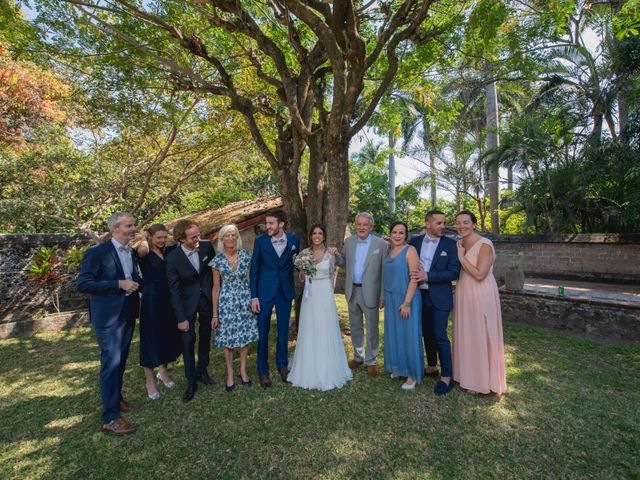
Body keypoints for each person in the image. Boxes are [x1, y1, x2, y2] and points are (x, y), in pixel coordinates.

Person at [77, 212, 140, 435]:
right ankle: (110, 417)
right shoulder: (97, 252)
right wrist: (118, 284)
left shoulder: (131, 252)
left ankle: (117, 399)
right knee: (111, 363)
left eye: (134, 225)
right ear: (114, 228)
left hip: (127, 313)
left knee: (121, 361)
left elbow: (134, 277)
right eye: (128, 226)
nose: (133, 229)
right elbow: (84, 284)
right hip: (108, 318)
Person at [288, 224, 352, 391]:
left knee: (325, 327)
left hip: (324, 293)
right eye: (314, 233)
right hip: (310, 294)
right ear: (311, 236)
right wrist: (303, 270)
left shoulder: (329, 254)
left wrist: (336, 252)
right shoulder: (304, 254)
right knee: (310, 328)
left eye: (320, 233)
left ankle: (328, 366)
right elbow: (302, 278)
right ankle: (308, 366)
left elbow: (338, 268)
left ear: (324, 236)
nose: (317, 236)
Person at [453, 210, 507, 394]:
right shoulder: (459, 243)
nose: (462, 226)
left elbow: (479, 274)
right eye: (458, 223)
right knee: (467, 332)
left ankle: (481, 381)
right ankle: (466, 376)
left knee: (481, 333)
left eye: (466, 222)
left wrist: (461, 257)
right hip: (463, 292)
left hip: (481, 293)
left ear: (474, 224)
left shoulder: (485, 245)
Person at [409, 210, 460, 396]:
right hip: (419, 296)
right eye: (438, 223)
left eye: (443, 223)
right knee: (427, 334)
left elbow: (454, 272)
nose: (443, 226)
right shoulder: (414, 242)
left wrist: (428, 276)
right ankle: (431, 367)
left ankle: (447, 376)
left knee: (440, 335)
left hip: (440, 296)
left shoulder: (450, 244)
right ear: (427, 224)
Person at [166, 220, 216, 402]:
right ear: (180, 239)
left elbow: (213, 273)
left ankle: (203, 371)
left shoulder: (206, 247)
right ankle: (191, 381)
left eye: (198, 235)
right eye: (193, 237)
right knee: (188, 341)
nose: (198, 239)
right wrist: (181, 318)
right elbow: (174, 290)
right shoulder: (172, 259)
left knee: (205, 337)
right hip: (186, 306)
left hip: (207, 301)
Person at [250, 209, 300, 388]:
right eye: (267, 223)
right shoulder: (260, 241)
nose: (268, 226)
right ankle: (263, 370)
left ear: (281, 224)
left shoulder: (294, 240)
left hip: (285, 292)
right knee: (263, 332)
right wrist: (254, 296)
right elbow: (254, 270)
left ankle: (282, 365)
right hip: (264, 292)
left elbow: (298, 264)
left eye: (271, 223)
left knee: (283, 330)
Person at [335, 212, 387, 378]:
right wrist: (335, 254)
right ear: (355, 225)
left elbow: (385, 271)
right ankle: (358, 357)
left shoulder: (381, 244)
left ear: (371, 227)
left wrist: (383, 294)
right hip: (352, 290)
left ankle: (371, 360)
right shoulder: (349, 241)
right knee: (355, 325)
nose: (362, 227)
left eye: (365, 225)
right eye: (359, 224)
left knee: (372, 327)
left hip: (371, 291)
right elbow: (342, 261)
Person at [209, 224, 259, 392]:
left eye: (233, 235)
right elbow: (216, 288)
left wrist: (253, 298)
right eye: (227, 236)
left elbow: (252, 278)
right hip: (226, 302)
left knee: (244, 337)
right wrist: (215, 315)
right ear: (222, 239)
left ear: (237, 237)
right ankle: (230, 372)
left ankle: (243, 370)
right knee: (228, 339)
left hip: (244, 299)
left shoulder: (246, 255)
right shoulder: (217, 260)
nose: (230, 238)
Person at [136, 224, 179, 400]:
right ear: (151, 237)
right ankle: (149, 381)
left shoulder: (169, 251)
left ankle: (163, 372)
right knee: (151, 340)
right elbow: (141, 251)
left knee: (167, 337)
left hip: (168, 300)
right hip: (151, 301)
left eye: (164, 237)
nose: (162, 241)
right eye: (158, 238)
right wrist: (144, 237)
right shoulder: (144, 253)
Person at [383, 221, 425, 390]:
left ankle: (412, 374)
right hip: (391, 298)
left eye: (401, 233)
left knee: (409, 335)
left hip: (407, 298)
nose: (398, 235)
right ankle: (399, 367)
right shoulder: (389, 249)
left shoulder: (411, 251)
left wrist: (406, 303)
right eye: (394, 232)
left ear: (406, 235)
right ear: (390, 234)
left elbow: (414, 278)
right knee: (395, 333)